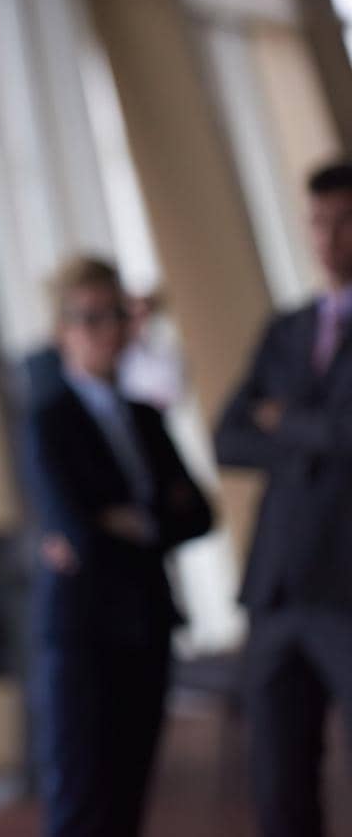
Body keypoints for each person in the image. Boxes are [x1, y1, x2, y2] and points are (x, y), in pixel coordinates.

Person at [22, 256, 213, 837]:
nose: (108, 329)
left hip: (150, 623)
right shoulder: (47, 419)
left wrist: (129, 520)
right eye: (90, 317)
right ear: (63, 331)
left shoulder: (145, 417)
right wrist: (151, 516)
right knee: (81, 803)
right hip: (84, 634)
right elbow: (77, 530)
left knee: (130, 801)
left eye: (116, 315)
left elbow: (201, 515)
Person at [214, 160, 352, 837]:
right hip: (277, 589)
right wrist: (318, 434)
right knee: (278, 786)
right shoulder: (288, 329)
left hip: (348, 587)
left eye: (345, 220)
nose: (329, 237)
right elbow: (227, 437)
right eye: (319, 221)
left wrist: (285, 420)